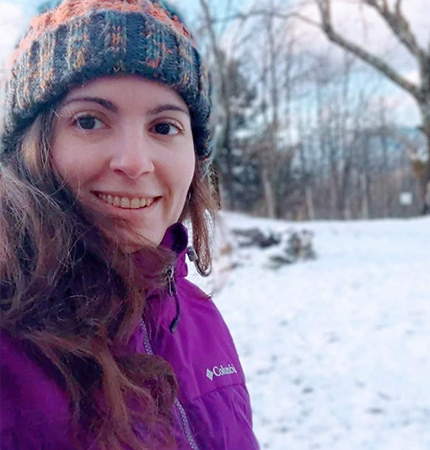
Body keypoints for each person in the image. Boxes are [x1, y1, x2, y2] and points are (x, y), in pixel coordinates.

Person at [0, 1, 259, 449]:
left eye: (164, 127)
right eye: (89, 120)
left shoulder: (198, 318)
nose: (136, 163)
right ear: (29, 146)